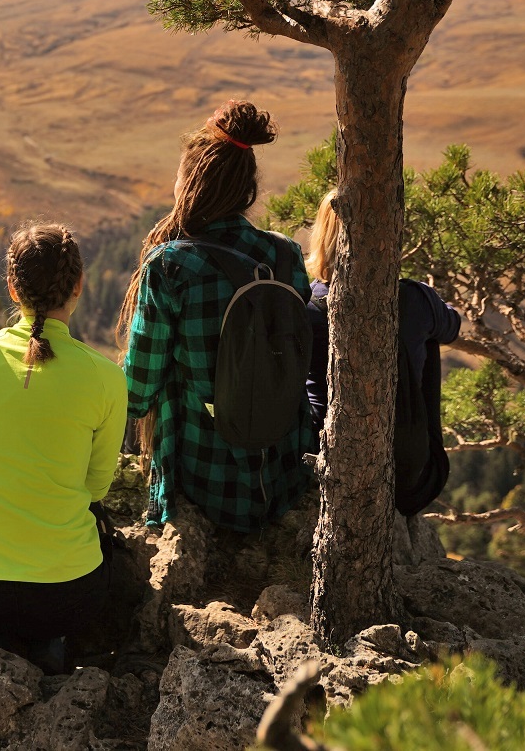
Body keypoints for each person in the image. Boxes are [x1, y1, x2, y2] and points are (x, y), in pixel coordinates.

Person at [0, 223, 127, 673]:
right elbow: (96, 487)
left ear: (11, 286)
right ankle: (50, 651)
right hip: (68, 593)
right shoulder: (106, 377)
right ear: (79, 285)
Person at [119, 100, 315, 533]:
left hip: (203, 482)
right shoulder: (285, 255)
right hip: (281, 478)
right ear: (245, 189)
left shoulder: (170, 264)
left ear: (191, 182)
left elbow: (138, 389)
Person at [303, 187, 461, 440]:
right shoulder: (415, 298)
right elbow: (453, 327)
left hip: (319, 444)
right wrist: (430, 298)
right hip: (404, 453)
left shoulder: (306, 304)